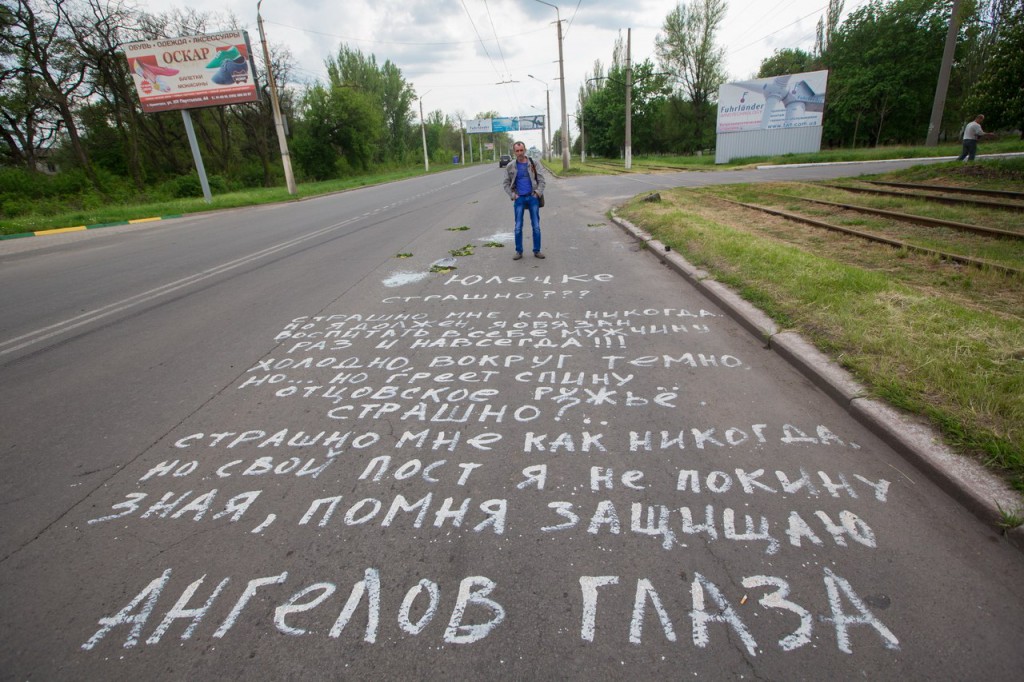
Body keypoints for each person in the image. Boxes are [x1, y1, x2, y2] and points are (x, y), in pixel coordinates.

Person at [502, 141, 546, 260]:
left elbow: (542, 180)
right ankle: (519, 251)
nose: (520, 153)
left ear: (525, 150)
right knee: (518, 226)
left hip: (532, 198)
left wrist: (537, 193)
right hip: (519, 199)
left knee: (536, 226)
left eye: (521, 150)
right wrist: (513, 195)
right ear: (514, 152)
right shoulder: (510, 166)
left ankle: (537, 250)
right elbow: (505, 183)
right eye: (517, 151)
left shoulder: (534, 163)